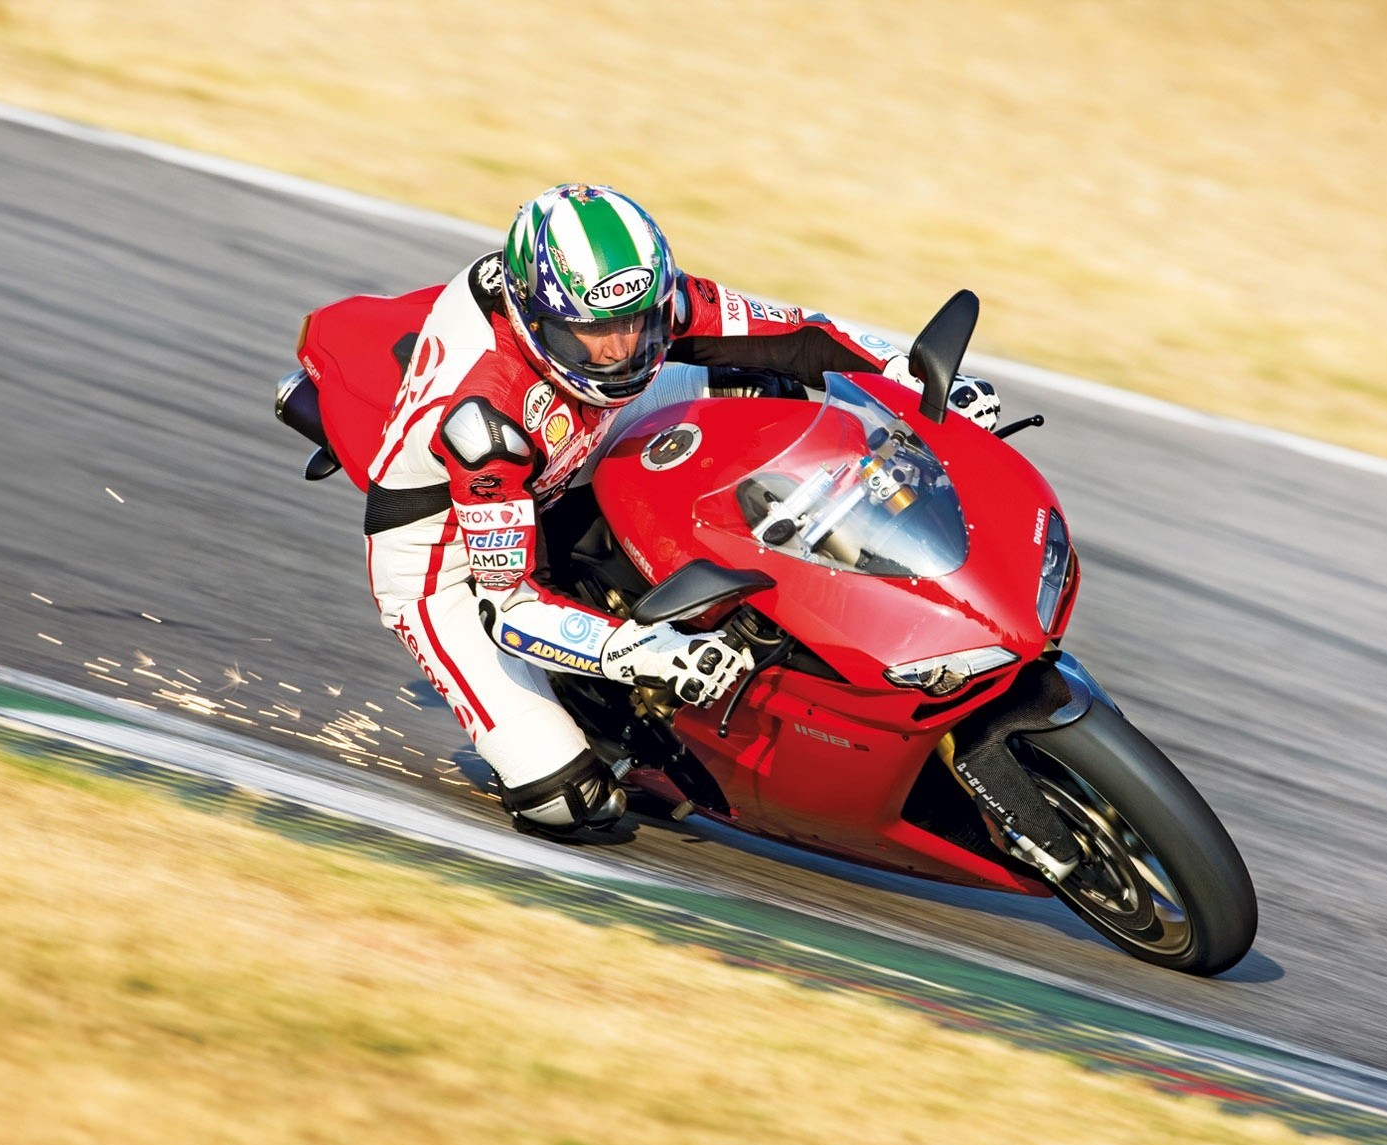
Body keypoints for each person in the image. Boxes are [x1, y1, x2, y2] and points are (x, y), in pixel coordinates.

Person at [363, 183, 999, 835]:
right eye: (593, 332)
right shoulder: (484, 423)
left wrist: (904, 378)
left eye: (635, 323)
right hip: (446, 556)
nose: (619, 348)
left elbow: (796, 333)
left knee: (767, 387)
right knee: (570, 801)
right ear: (536, 319)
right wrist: (642, 652)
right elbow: (509, 609)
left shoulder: (638, 302)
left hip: (579, 423)